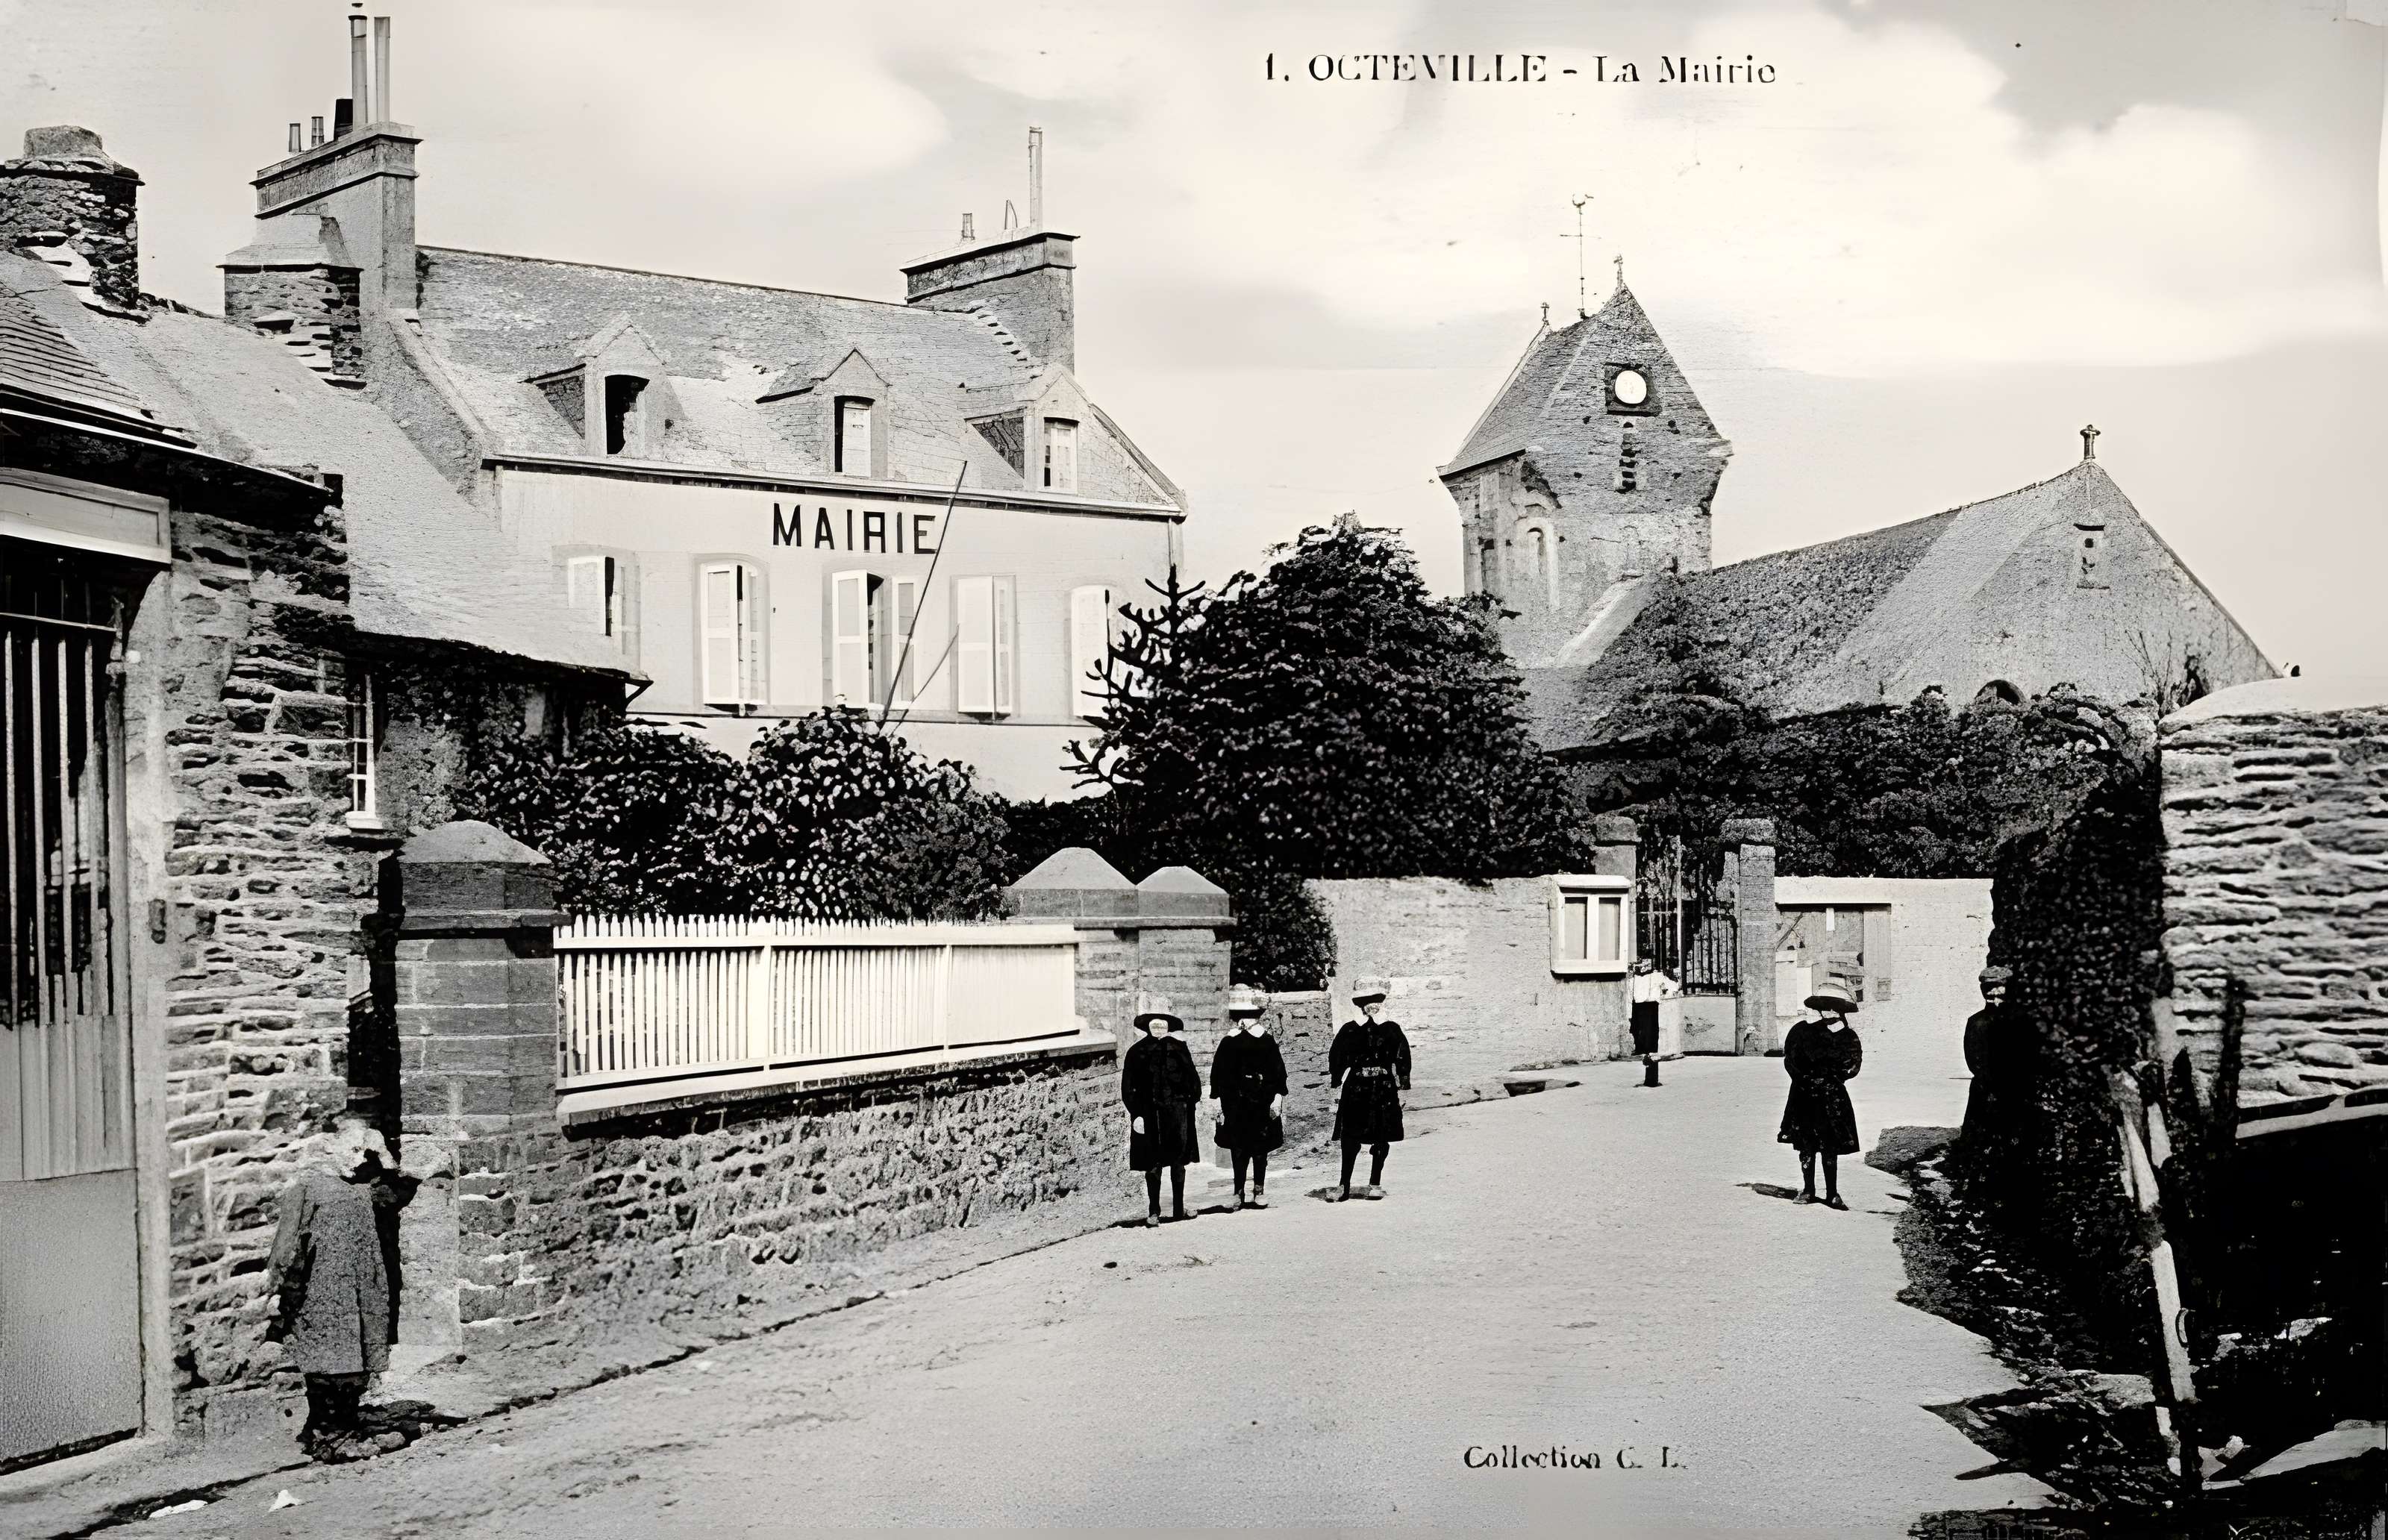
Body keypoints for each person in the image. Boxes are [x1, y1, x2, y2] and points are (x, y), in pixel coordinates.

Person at [266, 1109, 419, 1461]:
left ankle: (338, 1427)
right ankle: (329, 1435)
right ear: (327, 1148)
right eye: (350, 1151)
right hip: (320, 1293)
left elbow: (401, 1192)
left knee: (356, 1360)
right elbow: (289, 1247)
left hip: (360, 1289)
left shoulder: (364, 1187)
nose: (358, 1159)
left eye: (362, 1152)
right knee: (328, 1362)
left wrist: (384, 1156)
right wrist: (284, 1296)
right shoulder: (308, 1187)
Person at [1778, 979, 1863, 1210]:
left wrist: (1830, 1078)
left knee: (1830, 1145)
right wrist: (1805, 1079)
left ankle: (1833, 1193)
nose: (1828, 1013)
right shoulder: (1802, 1032)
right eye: (1824, 1008)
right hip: (1804, 1095)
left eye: (1833, 1008)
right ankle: (1808, 1190)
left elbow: (1852, 1066)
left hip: (1831, 1098)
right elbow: (1791, 1060)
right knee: (1806, 1143)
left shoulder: (1848, 1037)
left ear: (1840, 1011)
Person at [1329, 984, 1411, 1202]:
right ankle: (1343, 1186)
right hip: (1356, 1089)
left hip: (1383, 1089)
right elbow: (1336, 1055)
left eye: (1376, 1000)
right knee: (1350, 1138)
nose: (1372, 1005)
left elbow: (1403, 1056)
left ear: (1381, 1002)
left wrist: (1403, 1082)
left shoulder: (1392, 1028)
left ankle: (1375, 1183)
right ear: (1361, 1006)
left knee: (1381, 1136)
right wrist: (1336, 1080)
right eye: (1366, 1001)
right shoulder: (1350, 1029)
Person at [1121, 1010, 1202, 1227]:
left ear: (1169, 1027)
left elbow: (1193, 1080)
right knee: (1153, 1164)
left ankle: (1178, 1209)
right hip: (1149, 1114)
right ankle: (1154, 1211)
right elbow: (1128, 1088)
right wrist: (1136, 1114)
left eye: (1162, 1025)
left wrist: (1188, 1103)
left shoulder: (1179, 1049)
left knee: (1178, 1163)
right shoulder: (1137, 1052)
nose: (1158, 1029)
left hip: (1177, 1113)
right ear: (1147, 1027)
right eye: (1154, 1026)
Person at [1210, 986, 1287, 1211]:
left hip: (1260, 1101)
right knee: (1238, 1149)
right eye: (1240, 1016)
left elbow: (1278, 1072)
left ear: (1257, 1017)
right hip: (1235, 1102)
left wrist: (1278, 1096)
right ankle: (1238, 1192)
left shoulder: (1266, 1041)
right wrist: (1217, 1100)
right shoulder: (1228, 1042)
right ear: (1235, 1018)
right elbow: (1218, 1073)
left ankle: (1259, 1190)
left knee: (1260, 1149)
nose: (1245, 1021)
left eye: (1250, 1016)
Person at [1958, 965, 2026, 1201]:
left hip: (2012, 1093)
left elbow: (2024, 1059)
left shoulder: (2018, 1022)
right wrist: (1990, 1085)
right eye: (1990, 993)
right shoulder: (1976, 1022)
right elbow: (1973, 1059)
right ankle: (1977, 1192)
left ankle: (2009, 1194)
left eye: (1999, 992)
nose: (1995, 998)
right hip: (1985, 1092)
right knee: (1980, 1143)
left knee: (2012, 1144)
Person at [1629, 958, 1681, 1088]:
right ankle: (1650, 1077)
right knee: (1647, 1044)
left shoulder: (1652, 976)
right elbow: (1674, 987)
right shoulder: (1637, 978)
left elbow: (1673, 987)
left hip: (1648, 1010)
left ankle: (1651, 1078)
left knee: (1649, 1044)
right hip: (1644, 1010)